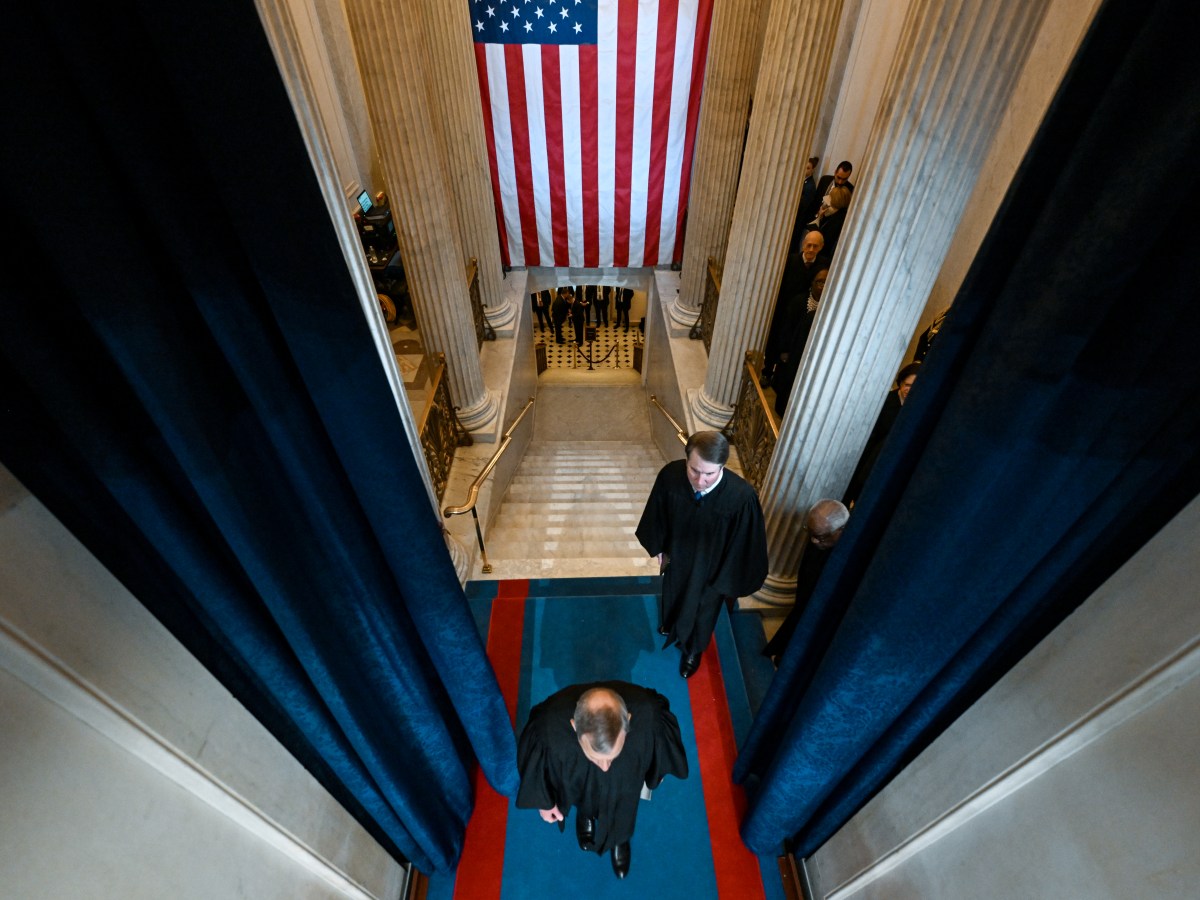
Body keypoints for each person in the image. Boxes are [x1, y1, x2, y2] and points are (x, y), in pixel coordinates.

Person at [516, 682, 688, 879]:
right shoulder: (547, 729)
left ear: (629, 721)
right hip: (580, 776)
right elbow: (537, 771)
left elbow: (660, 754)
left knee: (624, 806)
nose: (605, 767)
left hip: (624, 782)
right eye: (596, 757)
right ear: (574, 726)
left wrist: (656, 771)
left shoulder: (649, 716)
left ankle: (619, 837)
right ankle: (586, 814)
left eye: (611, 756)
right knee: (581, 792)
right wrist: (545, 803)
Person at [636, 431, 769, 678]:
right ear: (686, 460)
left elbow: (744, 543)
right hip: (678, 556)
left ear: (721, 467)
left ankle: (693, 650)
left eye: (710, 473)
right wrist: (661, 546)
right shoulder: (671, 476)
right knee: (674, 591)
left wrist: (725, 579)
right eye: (694, 470)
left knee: (703, 610)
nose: (700, 480)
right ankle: (672, 623)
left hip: (712, 568)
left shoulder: (741, 498)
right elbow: (660, 512)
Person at [762, 499, 849, 664]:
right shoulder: (819, 543)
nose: (814, 541)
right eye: (810, 533)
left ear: (841, 530)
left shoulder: (848, 554)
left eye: (821, 536)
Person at [843, 361, 921, 507]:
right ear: (900, 383)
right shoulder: (884, 402)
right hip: (867, 458)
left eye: (915, 386)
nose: (910, 390)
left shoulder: (917, 406)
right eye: (907, 385)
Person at [763, 232, 828, 388]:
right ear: (803, 245)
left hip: (805, 312)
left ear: (821, 247)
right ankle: (767, 372)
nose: (811, 249)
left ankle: (784, 382)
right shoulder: (790, 261)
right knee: (776, 342)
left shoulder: (824, 265)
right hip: (784, 310)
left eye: (815, 246)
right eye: (808, 245)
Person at [772, 267, 829, 416]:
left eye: (826, 282)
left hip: (812, 355)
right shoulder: (799, 301)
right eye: (819, 281)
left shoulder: (830, 308)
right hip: (794, 351)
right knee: (788, 383)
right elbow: (786, 327)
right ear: (812, 283)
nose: (822, 285)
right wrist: (784, 350)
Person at [816, 185, 852, 257]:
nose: (829, 198)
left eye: (831, 197)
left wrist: (819, 218)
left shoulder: (838, 220)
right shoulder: (837, 214)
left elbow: (823, 237)